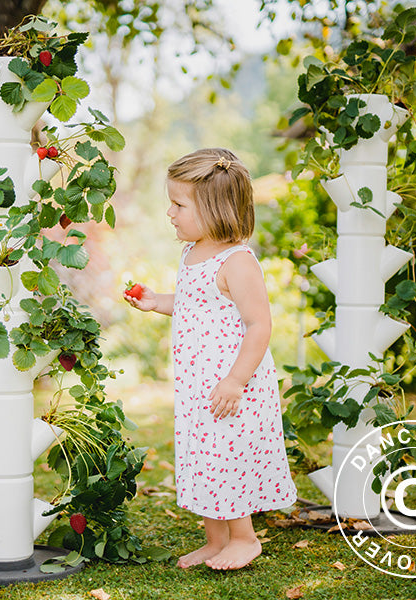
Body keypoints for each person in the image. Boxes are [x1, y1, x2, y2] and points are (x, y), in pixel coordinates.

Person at [124, 148, 297, 571]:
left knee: (228, 456)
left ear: (214, 209)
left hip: (233, 385)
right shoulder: (192, 254)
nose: (170, 212)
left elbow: (259, 325)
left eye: (179, 204)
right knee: (203, 456)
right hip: (198, 386)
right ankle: (215, 540)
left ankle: (244, 538)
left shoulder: (237, 261)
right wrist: (156, 302)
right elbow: (192, 304)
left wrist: (236, 381)